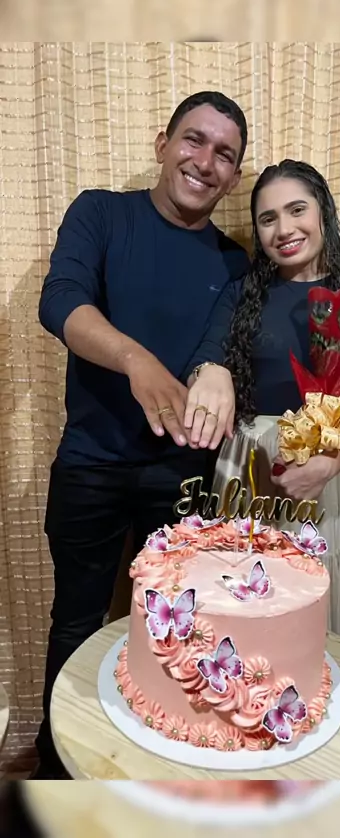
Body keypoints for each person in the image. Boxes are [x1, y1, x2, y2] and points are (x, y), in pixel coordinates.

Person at [35, 91, 250, 778]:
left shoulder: (235, 263)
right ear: (163, 144)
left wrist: (216, 368)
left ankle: (152, 774)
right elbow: (60, 300)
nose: (205, 161)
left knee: (172, 634)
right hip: (90, 463)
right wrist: (136, 360)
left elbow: (221, 345)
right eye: (194, 139)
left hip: (181, 477)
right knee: (77, 622)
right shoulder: (101, 212)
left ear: (233, 177)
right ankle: (56, 772)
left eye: (225, 154)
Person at [184, 159, 340, 662]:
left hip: (327, 473)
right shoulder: (242, 292)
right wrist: (209, 369)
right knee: (246, 622)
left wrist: (334, 462)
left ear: (323, 212)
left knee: (318, 619)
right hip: (248, 471)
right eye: (268, 219)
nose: (284, 229)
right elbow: (208, 354)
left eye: (297, 210)